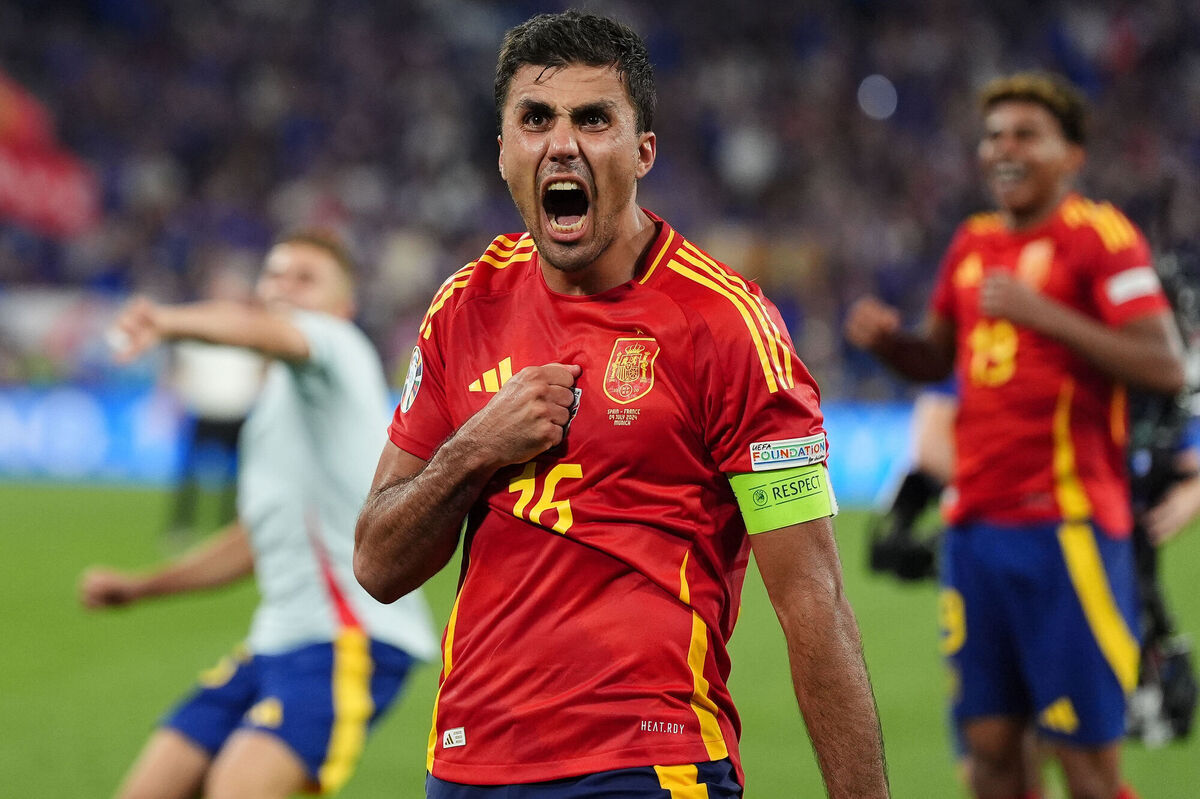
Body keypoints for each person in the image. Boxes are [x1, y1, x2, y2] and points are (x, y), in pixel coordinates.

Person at [353, 11, 888, 799]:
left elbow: (812, 597)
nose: (560, 142)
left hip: (647, 760)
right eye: (535, 119)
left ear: (642, 153)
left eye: (592, 118)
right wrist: (475, 447)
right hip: (468, 764)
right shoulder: (463, 306)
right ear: (503, 149)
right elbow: (377, 562)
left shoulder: (724, 326)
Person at [845, 72, 1186, 799]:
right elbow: (937, 358)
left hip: (1067, 530)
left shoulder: (1101, 238)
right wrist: (890, 346)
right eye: (994, 135)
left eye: (1026, 134)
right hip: (976, 534)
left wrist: (1047, 314)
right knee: (990, 752)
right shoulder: (972, 243)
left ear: (1071, 156)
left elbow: (1162, 362)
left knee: (1086, 763)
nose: (1004, 148)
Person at [79, 231, 438, 799]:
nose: (284, 290)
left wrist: (170, 323)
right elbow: (257, 541)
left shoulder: (336, 343)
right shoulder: (278, 402)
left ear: (344, 307)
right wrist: (141, 587)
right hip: (274, 642)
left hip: (349, 637)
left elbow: (266, 331)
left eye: (305, 279)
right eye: (275, 276)